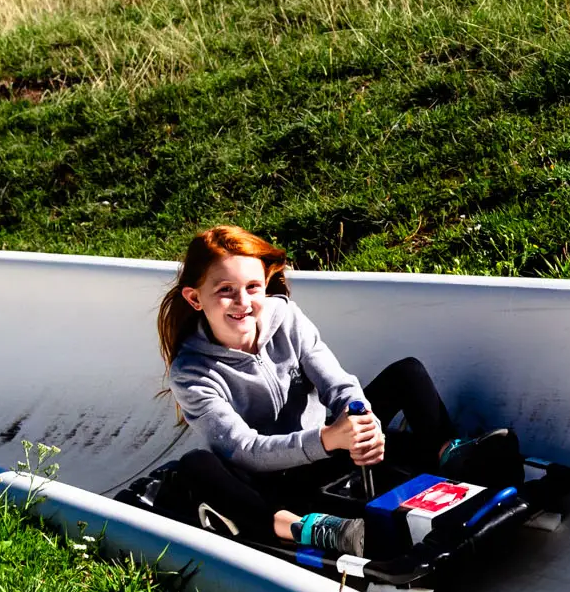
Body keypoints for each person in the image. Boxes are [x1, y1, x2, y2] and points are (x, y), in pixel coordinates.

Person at [154, 225, 496, 557]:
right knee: (195, 465)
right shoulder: (192, 371)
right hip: (273, 485)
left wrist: (362, 421)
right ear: (195, 298)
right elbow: (245, 450)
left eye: (253, 287)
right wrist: (328, 438)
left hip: (327, 456)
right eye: (225, 289)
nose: (242, 301)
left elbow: (338, 383)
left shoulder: (284, 317)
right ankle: (304, 529)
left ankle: (452, 460)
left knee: (407, 372)